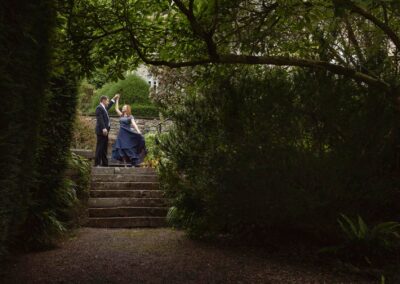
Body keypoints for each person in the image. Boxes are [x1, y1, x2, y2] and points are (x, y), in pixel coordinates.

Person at [111, 94, 147, 167]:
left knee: (129, 149)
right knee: (121, 149)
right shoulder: (121, 115)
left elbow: (134, 124)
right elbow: (116, 109)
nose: (123, 108)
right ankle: (125, 165)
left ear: (127, 109)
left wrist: (138, 131)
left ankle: (133, 163)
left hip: (127, 134)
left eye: (124, 107)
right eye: (123, 107)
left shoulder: (130, 116)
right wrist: (117, 99)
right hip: (121, 134)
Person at [94, 94, 119, 167]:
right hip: (102, 131)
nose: (108, 102)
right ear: (103, 100)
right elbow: (100, 119)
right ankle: (97, 164)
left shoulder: (104, 108)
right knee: (99, 147)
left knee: (104, 147)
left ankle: (105, 163)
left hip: (105, 132)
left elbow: (109, 105)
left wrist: (114, 98)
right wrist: (104, 128)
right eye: (107, 101)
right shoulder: (99, 108)